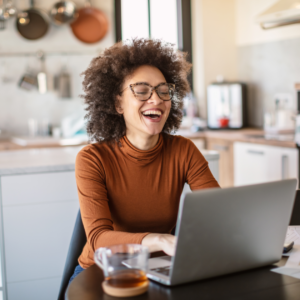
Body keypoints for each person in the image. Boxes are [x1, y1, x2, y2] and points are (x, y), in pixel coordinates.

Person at [70, 39, 220, 282]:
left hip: (159, 267)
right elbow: (99, 240)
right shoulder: (92, 158)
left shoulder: (184, 150)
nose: (157, 99)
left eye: (163, 91)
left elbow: (216, 211)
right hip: (101, 272)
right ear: (117, 103)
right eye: (141, 91)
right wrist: (159, 239)